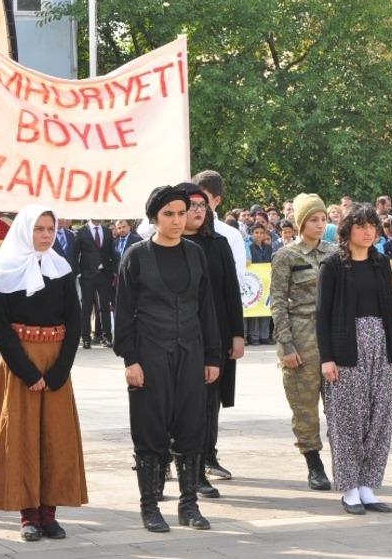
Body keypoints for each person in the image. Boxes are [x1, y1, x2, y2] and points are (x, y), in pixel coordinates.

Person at [114, 185, 221, 533]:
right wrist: (130, 359)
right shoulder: (137, 255)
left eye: (181, 213)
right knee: (150, 429)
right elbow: (124, 311)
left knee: (192, 426)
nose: (177, 220)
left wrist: (212, 356)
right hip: (150, 353)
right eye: (169, 214)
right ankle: (150, 506)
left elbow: (206, 308)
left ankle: (189, 504)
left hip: (190, 353)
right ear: (154, 218)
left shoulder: (194, 253)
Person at [0, 205, 87, 541]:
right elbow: (0, 329)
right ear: (25, 230)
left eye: (50, 229)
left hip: (56, 360)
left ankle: (49, 514)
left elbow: (75, 320)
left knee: (55, 438)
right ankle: (28, 515)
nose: (46, 235)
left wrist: (60, 370)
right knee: (22, 438)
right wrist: (29, 373)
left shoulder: (61, 268)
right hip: (21, 365)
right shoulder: (5, 271)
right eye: (39, 229)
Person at [316, 204, 392, 515]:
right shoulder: (333, 266)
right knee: (348, 419)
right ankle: (350, 487)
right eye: (362, 226)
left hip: (380, 344)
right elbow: (322, 316)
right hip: (346, 346)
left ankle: (368, 484)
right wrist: (326, 358)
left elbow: (391, 312)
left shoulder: (382, 264)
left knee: (379, 416)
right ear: (347, 230)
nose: (369, 232)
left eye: (373, 226)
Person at [179, 183, 245, 498]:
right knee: (178, 403)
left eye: (201, 205)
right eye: (190, 204)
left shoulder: (218, 243)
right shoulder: (166, 244)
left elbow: (231, 291)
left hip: (214, 337)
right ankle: (175, 462)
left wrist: (237, 334)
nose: (196, 210)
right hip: (176, 337)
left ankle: (204, 459)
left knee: (208, 401)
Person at [270, 193, 337, 491]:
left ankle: (345, 462)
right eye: (313, 219)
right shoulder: (286, 256)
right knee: (305, 405)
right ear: (300, 223)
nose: (320, 225)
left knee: (339, 405)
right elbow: (279, 303)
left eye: (323, 219)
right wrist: (286, 345)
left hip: (333, 338)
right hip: (302, 338)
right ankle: (314, 463)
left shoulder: (335, 253)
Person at [75, 220, 115, 348]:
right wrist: (79, 272)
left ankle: (107, 337)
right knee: (86, 307)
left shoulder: (107, 231)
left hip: (104, 274)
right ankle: (86, 338)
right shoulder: (81, 232)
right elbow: (75, 253)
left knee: (105, 307)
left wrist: (112, 271)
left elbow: (111, 252)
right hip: (87, 275)